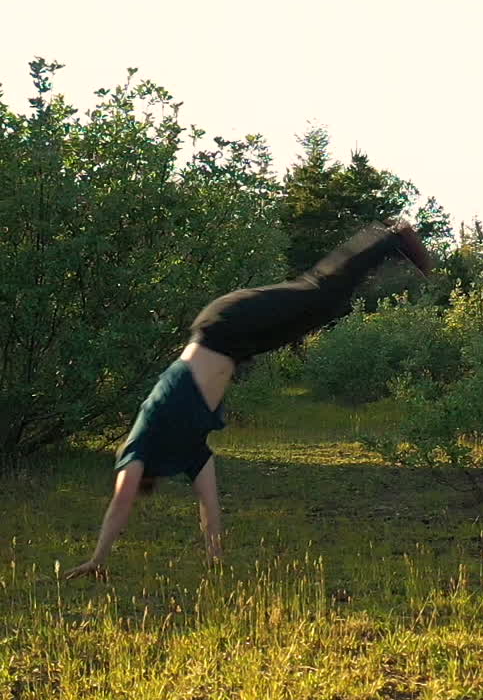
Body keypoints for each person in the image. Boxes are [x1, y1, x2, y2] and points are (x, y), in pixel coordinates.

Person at [64, 219, 434, 580]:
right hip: (236, 340)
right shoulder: (190, 450)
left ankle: (390, 235)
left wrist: (99, 558)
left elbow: (120, 503)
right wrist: (216, 560)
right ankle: (388, 248)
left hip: (223, 324)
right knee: (323, 307)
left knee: (315, 290)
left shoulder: (141, 446)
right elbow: (209, 506)